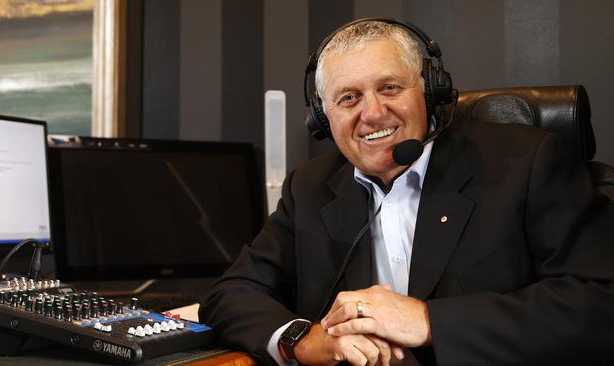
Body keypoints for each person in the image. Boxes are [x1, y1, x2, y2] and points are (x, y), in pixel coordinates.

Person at [199, 19, 614, 365]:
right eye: (349, 98)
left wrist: (429, 321)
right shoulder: (310, 188)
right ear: (323, 119)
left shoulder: (527, 162)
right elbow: (230, 293)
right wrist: (303, 340)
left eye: (390, 88)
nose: (373, 112)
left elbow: (598, 303)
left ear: (429, 90)